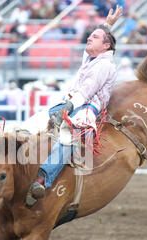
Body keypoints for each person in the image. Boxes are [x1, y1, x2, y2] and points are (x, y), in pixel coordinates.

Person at [25, 6, 123, 206]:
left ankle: (42, 179)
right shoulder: (92, 59)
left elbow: (87, 91)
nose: (89, 38)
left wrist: (67, 107)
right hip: (72, 102)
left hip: (87, 109)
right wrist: (107, 25)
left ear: (105, 46)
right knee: (37, 122)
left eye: (94, 37)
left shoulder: (104, 65)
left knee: (69, 138)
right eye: (90, 35)